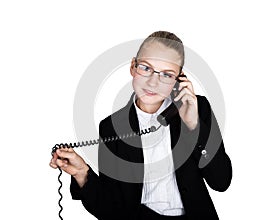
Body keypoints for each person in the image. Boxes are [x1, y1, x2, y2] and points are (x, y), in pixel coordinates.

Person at [50, 31, 232, 220]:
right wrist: (82, 173)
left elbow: (221, 182)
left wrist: (194, 126)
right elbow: (110, 208)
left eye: (167, 74)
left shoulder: (197, 108)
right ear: (132, 67)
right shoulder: (112, 127)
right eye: (146, 68)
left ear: (179, 80)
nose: (153, 82)